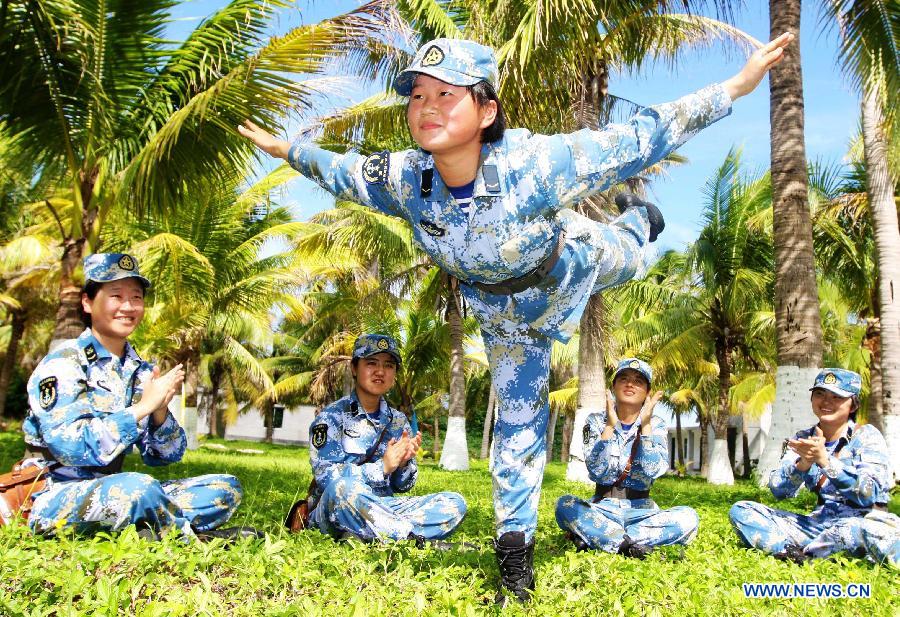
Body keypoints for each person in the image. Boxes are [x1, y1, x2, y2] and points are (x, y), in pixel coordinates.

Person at [239, 32, 794, 602]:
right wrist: (287, 151)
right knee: (516, 428)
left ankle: (637, 222)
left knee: (624, 257)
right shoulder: (409, 179)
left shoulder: (536, 163)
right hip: (505, 319)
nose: (426, 106)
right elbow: (344, 171)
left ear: (486, 109)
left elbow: (639, 136)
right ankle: (514, 561)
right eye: (416, 95)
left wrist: (736, 85)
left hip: (568, 264)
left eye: (445, 94)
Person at [20, 253, 255, 541]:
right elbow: (70, 447)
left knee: (225, 488)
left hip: (113, 488)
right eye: (116, 296)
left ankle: (147, 527)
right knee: (138, 489)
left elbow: (165, 456)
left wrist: (158, 412)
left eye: (136, 297)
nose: (128, 307)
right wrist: (141, 408)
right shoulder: (65, 362)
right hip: (52, 494)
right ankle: (188, 540)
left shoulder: (140, 370)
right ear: (87, 302)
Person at [307, 333, 467, 545]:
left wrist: (403, 464)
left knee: (454, 503)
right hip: (338, 508)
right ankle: (411, 538)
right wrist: (382, 467)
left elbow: (403, 486)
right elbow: (327, 478)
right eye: (371, 363)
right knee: (343, 489)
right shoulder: (330, 418)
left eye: (389, 366)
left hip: (383, 508)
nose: (380, 371)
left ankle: (371, 535)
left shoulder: (399, 421)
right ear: (354, 369)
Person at [729, 368, 892, 563]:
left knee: (861, 531)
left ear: (853, 405)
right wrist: (803, 464)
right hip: (817, 526)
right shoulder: (803, 439)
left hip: (860, 524)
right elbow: (778, 490)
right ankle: (793, 553)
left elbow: (868, 494)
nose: (826, 402)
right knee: (742, 510)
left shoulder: (866, 436)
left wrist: (825, 460)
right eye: (820, 394)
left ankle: (814, 551)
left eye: (837, 397)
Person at [556, 358, 698, 558]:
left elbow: (653, 470)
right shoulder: (596, 421)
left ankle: (602, 538)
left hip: (642, 512)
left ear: (647, 392)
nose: (630, 384)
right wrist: (609, 428)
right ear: (614, 386)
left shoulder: (657, 425)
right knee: (565, 505)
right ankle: (629, 545)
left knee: (688, 518)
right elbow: (596, 470)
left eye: (638, 381)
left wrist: (646, 425)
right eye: (623, 378)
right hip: (603, 509)